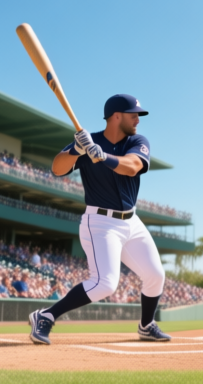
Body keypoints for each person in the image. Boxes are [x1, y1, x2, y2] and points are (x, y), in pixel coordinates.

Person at [28, 94, 169, 344]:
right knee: (105, 284)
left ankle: (147, 325)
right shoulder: (87, 141)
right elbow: (57, 168)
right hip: (101, 223)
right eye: (132, 114)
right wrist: (75, 150)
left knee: (156, 275)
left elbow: (133, 166)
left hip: (131, 222)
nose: (137, 119)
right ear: (116, 116)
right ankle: (46, 316)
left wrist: (103, 156)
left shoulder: (137, 141)